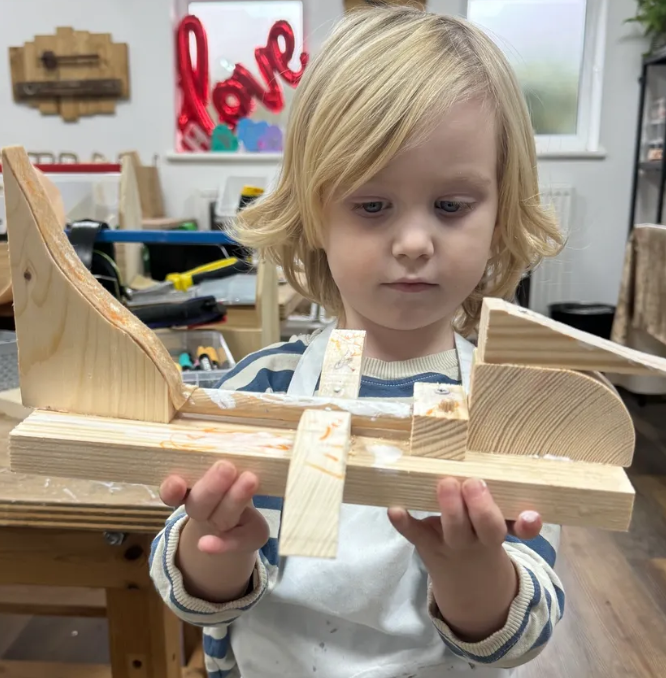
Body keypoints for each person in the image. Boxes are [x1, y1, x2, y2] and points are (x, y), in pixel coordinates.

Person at [150, 6, 565, 677]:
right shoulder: (256, 392)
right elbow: (195, 600)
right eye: (372, 206)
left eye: (452, 206)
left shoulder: (510, 415)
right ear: (317, 213)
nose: (413, 242)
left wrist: (472, 574)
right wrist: (214, 550)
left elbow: (523, 632)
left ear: (499, 211)